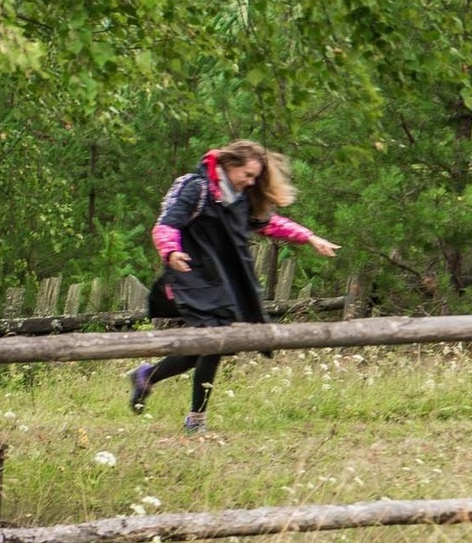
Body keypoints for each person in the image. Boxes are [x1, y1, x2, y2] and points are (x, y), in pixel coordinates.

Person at [128, 142, 339, 432]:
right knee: (213, 344)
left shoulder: (239, 200)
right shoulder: (197, 189)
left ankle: (147, 376)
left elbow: (270, 224)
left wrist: (310, 237)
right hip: (192, 278)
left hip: (220, 284)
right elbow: (167, 224)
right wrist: (171, 252)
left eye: (255, 178)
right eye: (248, 174)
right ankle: (195, 418)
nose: (251, 182)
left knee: (204, 347)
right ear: (229, 164)